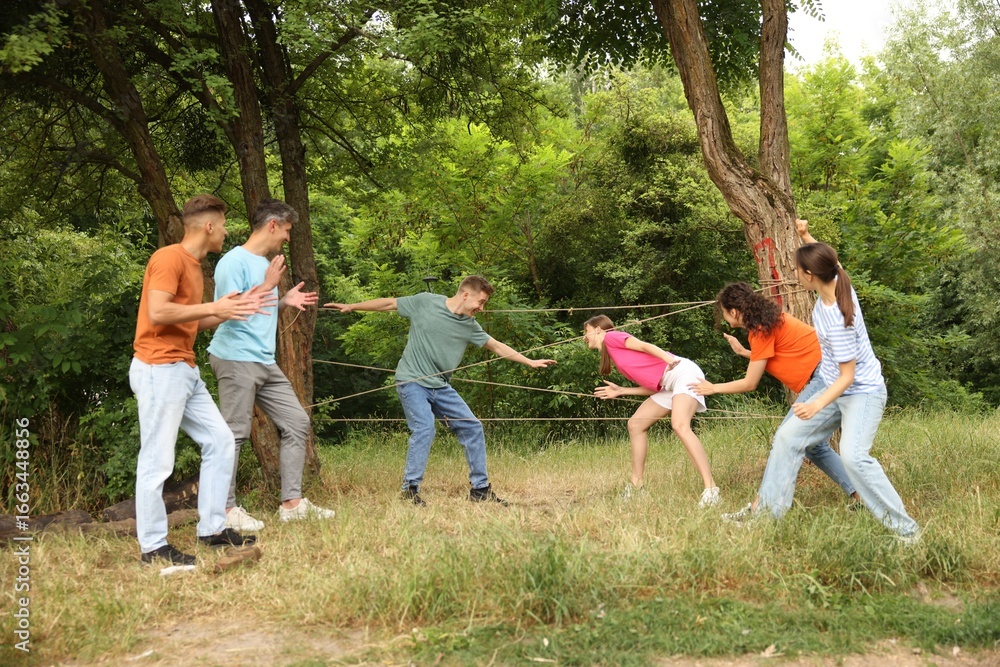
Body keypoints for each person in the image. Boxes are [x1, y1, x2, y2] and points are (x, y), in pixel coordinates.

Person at [724, 220, 920, 542]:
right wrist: (806, 236)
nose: (795, 274)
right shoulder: (839, 284)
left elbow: (848, 377)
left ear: (810, 276)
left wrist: (814, 404)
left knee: (854, 457)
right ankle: (768, 516)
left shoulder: (838, 319)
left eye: (799, 270)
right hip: (830, 384)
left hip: (861, 393)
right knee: (788, 438)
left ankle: (906, 532)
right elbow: (835, 263)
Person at [325, 276, 556, 506]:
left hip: (441, 387)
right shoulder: (425, 302)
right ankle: (410, 490)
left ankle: (480, 490)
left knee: (472, 426)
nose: (482, 308)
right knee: (424, 427)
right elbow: (389, 303)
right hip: (412, 380)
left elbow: (495, 345)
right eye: (481, 302)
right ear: (466, 295)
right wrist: (352, 306)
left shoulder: (469, 325)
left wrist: (530, 362)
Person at [131, 194, 264, 567]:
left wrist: (229, 311)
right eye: (222, 225)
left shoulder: (195, 266)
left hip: (184, 369)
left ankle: (212, 530)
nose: (225, 232)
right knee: (157, 459)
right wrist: (215, 306)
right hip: (159, 368)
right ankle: (153, 548)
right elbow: (158, 312)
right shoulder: (169, 258)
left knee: (220, 441)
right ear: (208, 226)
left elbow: (190, 319)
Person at [207, 199, 334, 532]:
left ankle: (291, 505)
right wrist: (267, 287)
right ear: (273, 225)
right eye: (288, 231)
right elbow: (229, 311)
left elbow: (259, 307)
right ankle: (224, 509)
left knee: (296, 421)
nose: (288, 239)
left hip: (264, 360)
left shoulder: (265, 262)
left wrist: (282, 300)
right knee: (233, 435)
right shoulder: (232, 262)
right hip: (235, 357)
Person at [689, 282, 860, 506]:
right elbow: (774, 356)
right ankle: (861, 495)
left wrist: (713, 388)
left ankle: (763, 507)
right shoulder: (767, 322)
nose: (726, 320)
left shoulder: (760, 329)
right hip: (829, 372)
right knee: (814, 446)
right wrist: (743, 352)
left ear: (733, 311)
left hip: (825, 375)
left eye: (724, 313)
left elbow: (750, 383)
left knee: (786, 437)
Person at [583, 315, 719, 507]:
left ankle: (711, 489)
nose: (584, 337)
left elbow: (644, 345)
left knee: (680, 425)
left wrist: (668, 359)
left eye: (586, 331)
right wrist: (621, 391)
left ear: (598, 330)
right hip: (667, 383)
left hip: (681, 372)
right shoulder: (613, 354)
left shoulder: (612, 337)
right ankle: (637, 487)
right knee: (636, 424)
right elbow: (654, 386)